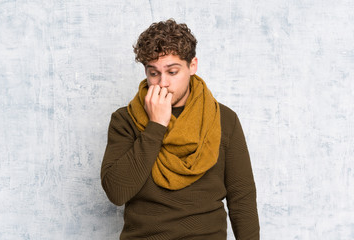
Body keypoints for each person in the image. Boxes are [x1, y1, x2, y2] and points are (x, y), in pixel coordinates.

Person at [101, 19, 260, 240]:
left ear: (192, 66)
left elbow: (241, 197)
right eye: (153, 73)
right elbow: (117, 192)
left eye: (172, 72)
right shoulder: (125, 120)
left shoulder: (224, 120)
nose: (162, 83)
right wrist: (156, 126)